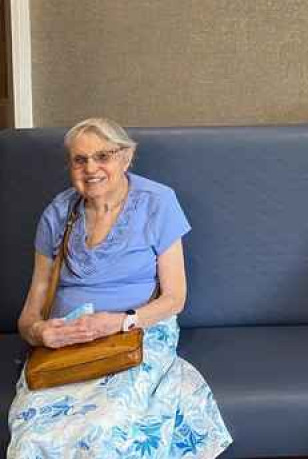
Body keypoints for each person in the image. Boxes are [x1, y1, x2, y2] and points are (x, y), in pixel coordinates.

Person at [7, 118, 232, 458]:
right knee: (31, 440)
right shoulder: (57, 212)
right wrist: (40, 333)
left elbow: (174, 299)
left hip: (134, 333)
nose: (91, 168)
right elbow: (29, 314)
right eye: (79, 159)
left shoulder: (158, 202)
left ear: (126, 158)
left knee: (107, 428)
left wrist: (120, 321)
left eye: (103, 156)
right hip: (67, 347)